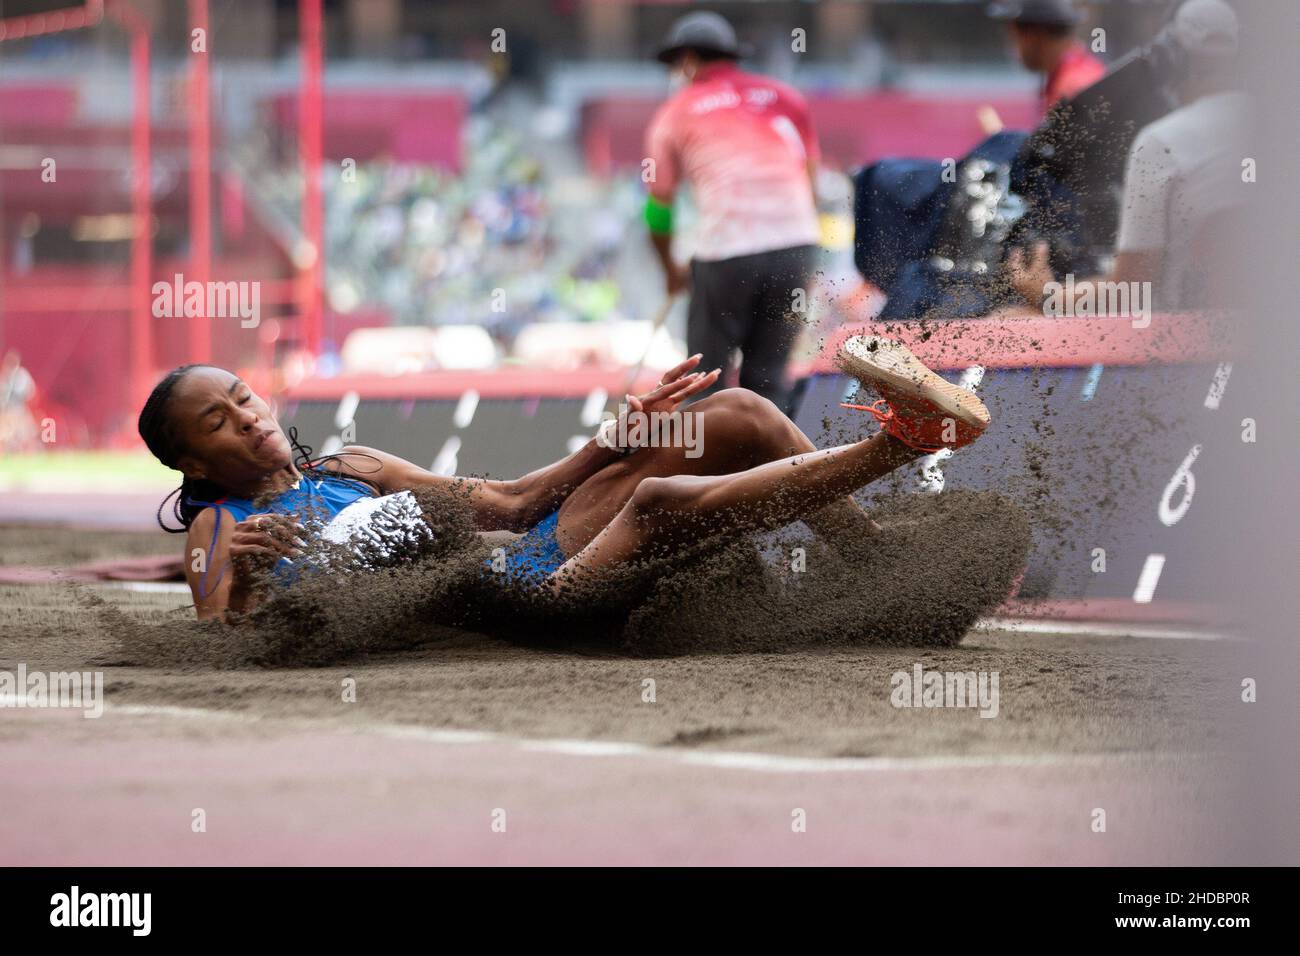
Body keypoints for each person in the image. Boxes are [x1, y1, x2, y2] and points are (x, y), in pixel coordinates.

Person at [137, 342, 991, 622]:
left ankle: (875, 562)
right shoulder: (221, 526)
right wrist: (241, 574)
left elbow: (508, 503)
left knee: (736, 414)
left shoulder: (356, 466)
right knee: (655, 500)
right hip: (514, 613)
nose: (245, 417)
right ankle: (905, 443)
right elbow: (218, 628)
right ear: (197, 464)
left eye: (241, 396)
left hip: (527, 558)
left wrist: (613, 440)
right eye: (216, 422)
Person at [1006, 0, 1247, 313]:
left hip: (1184, 340)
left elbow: (1132, 291)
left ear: (1169, 58)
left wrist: (1045, 294)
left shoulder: (1160, 144)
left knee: (1012, 318)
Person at [644, 11, 821, 409]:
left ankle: (710, 471)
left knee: (704, 380)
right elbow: (809, 181)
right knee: (769, 378)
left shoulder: (675, 113)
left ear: (688, 60)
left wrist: (669, 270)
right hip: (797, 248)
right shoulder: (786, 98)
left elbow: (659, 209)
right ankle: (778, 469)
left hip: (727, 253)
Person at [988, 0, 1106, 115]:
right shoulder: (1074, 71)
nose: (1014, 47)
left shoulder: (1071, 87)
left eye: (1014, 36)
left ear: (1033, 35)